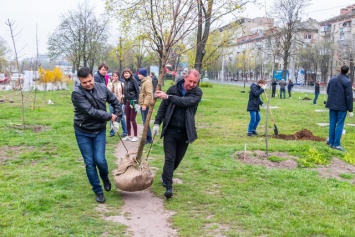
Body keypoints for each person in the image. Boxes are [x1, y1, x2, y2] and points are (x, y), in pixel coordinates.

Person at [71, 66, 122, 203]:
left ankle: (104, 177)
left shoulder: (102, 87)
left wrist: (117, 116)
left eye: (89, 81)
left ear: (92, 77)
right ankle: (98, 191)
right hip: (83, 131)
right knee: (89, 163)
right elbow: (90, 111)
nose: (88, 84)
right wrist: (109, 116)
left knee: (100, 160)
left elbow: (115, 102)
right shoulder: (77, 93)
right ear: (80, 82)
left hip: (99, 130)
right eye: (84, 82)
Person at [152, 69, 203, 198]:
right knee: (170, 158)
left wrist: (168, 97)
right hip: (171, 130)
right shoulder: (172, 89)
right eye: (190, 81)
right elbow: (163, 107)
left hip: (185, 132)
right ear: (185, 78)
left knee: (177, 160)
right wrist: (157, 123)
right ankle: (168, 186)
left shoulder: (197, 93)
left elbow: (186, 102)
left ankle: (165, 176)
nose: (192, 84)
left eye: (195, 82)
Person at [325, 65, 353, 151]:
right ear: (348, 71)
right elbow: (349, 97)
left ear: (340, 71)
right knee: (340, 124)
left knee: (332, 123)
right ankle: (336, 144)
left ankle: (330, 141)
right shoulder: (347, 82)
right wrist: (351, 110)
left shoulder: (332, 79)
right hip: (342, 107)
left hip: (332, 105)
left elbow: (328, 91)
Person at [107, 71, 128, 137]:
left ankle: (125, 131)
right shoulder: (109, 84)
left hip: (119, 102)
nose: (115, 77)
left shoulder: (122, 84)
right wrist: (112, 84)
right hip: (111, 102)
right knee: (112, 116)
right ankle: (112, 131)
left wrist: (123, 96)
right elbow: (108, 92)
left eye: (116, 76)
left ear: (118, 77)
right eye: (114, 76)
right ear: (112, 77)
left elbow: (125, 92)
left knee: (121, 117)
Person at [122, 68, 140, 142]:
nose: (126, 74)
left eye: (127, 73)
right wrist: (124, 103)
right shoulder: (125, 82)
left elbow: (138, 92)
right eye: (124, 73)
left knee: (133, 119)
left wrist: (138, 105)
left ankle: (135, 136)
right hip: (127, 101)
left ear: (130, 74)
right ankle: (128, 135)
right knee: (127, 119)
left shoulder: (134, 81)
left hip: (134, 101)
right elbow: (125, 93)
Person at [138, 68, 153, 144]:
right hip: (143, 104)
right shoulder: (144, 81)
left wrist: (145, 104)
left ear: (143, 74)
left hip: (145, 105)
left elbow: (149, 94)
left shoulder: (147, 82)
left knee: (145, 122)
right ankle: (147, 137)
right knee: (144, 122)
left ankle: (149, 138)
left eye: (139, 74)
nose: (138, 75)